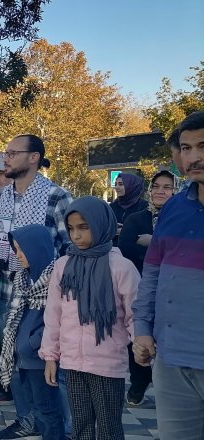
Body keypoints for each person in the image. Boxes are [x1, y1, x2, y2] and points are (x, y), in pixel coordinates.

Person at [0, 135, 73, 440]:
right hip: (7, 293)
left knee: (50, 367)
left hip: (44, 299)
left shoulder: (56, 196)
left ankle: (63, 429)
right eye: (6, 153)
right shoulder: (3, 196)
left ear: (34, 157)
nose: (6, 159)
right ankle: (27, 420)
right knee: (15, 361)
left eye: (12, 153)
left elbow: (70, 248)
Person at [40, 197, 139, 440]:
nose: (76, 235)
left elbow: (135, 313)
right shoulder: (63, 265)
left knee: (108, 428)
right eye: (71, 228)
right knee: (80, 426)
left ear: (100, 224)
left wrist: (141, 346)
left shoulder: (121, 267)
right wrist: (51, 356)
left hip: (107, 363)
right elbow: (54, 313)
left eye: (84, 227)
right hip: (72, 362)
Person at [133, 111, 204, 440]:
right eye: (186, 148)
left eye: (203, 146)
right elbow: (153, 273)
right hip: (171, 359)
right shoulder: (174, 208)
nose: (194, 157)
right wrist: (142, 329)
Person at [117, 170, 177, 406]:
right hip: (140, 285)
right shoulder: (137, 218)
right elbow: (126, 249)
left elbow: (186, 250)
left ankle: (170, 387)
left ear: (176, 191)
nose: (160, 191)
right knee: (137, 334)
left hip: (174, 289)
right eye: (156, 186)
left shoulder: (182, 220)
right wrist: (159, 251)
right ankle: (139, 382)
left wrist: (153, 242)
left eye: (167, 187)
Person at [0, 225, 64, 440]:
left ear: (36, 248)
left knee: (47, 409)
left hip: (41, 358)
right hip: (22, 356)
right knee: (35, 406)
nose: (18, 255)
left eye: (22, 249)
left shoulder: (55, 279)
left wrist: (32, 342)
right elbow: (16, 314)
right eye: (15, 249)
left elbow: (56, 319)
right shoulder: (22, 278)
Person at [109, 172, 147, 242]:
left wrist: (125, 231)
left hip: (135, 247)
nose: (117, 187)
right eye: (116, 184)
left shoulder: (144, 206)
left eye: (121, 184)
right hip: (113, 247)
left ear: (132, 186)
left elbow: (147, 231)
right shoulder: (112, 206)